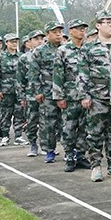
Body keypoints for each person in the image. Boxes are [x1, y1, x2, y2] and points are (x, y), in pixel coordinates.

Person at [79, 10, 111, 182]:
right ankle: (96, 165)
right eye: (108, 22)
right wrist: (85, 95)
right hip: (96, 96)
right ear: (98, 25)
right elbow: (82, 73)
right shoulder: (88, 48)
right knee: (95, 133)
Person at [54, 19, 90, 170]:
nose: (82, 31)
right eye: (78, 28)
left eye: (83, 28)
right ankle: (69, 156)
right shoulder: (63, 50)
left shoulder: (88, 48)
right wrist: (59, 96)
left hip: (86, 95)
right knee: (69, 127)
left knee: (85, 127)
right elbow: (58, 74)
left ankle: (80, 155)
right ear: (70, 31)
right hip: (70, 95)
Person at [29, 22, 65, 163]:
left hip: (65, 91)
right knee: (48, 123)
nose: (58, 35)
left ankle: (70, 150)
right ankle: (49, 150)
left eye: (60, 32)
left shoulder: (66, 49)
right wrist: (37, 91)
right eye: (55, 32)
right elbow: (33, 73)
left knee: (67, 123)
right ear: (47, 34)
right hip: (48, 91)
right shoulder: (39, 51)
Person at [0, 33, 23, 147]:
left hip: (19, 90)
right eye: (12, 41)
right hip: (6, 90)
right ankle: (5, 136)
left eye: (16, 41)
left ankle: (18, 136)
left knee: (19, 113)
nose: (14, 43)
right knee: (5, 114)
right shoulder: (0, 57)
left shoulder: (21, 57)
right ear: (6, 43)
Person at [17, 30, 44, 155]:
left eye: (41, 39)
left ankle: (46, 146)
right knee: (32, 121)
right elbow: (20, 79)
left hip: (46, 94)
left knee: (47, 123)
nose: (40, 41)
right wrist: (21, 97)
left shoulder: (49, 55)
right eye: (36, 39)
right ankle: (33, 144)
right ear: (29, 42)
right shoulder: (24, 58)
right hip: (30, 95)